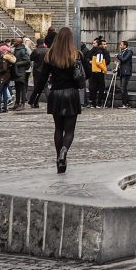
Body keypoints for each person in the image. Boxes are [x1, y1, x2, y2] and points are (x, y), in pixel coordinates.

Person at [29, 27, 83, 173]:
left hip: (56, 94)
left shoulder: (50, 55)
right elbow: (87, 73)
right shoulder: (76, 54)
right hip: (71, 93)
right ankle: (64, 152)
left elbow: (42, 79)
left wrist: (34, 96)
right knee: (70, 130)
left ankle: (58, 158)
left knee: (58, 128)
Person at [87, 37, 110, 108]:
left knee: (94, 87)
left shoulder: (94, 50)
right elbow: (99, 62)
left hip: (94, 71)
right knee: (101, 87)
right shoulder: (100, 51)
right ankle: (98, 103)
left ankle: (94, 103)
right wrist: (104, 69)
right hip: (99, 71)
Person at [12, 37, 31, 110]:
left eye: (15, 41)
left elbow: (27, 60)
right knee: (17, 88)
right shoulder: (16, 49)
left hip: (21, 72)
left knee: (22, 88)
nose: (14, 42)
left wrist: (17, 64)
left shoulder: (22, 50)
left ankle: (22, 104)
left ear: (19, 42)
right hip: (16, 71)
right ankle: (16, 103)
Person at [0, 44, 14, 113]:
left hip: (3, 76)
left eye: (1, 51)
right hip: (8, 77)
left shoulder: (4, 58)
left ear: (3, 51)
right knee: (4, 91)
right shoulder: (10, 57)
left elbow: (4, 68)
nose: (0, 52)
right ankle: (5, 107)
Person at [29, 39, 48, 108]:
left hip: (37, 71)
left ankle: (35, 102)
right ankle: (50, 101)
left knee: (37, 87)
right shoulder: (48, 50)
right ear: (43, 43)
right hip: (46, 70)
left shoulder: (36, 51)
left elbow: (30, 58)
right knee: (45, 87)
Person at [116, 40, 133, 109]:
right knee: (123, 88)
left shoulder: (129, 52)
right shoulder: (122, 52)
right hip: (122, 72)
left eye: (121, 45)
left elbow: (124, 59)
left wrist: (118, 56)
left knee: (123, 88)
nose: (120, 46)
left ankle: (125, 104)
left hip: (126, 72)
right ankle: (127, 103)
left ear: (125, 46)